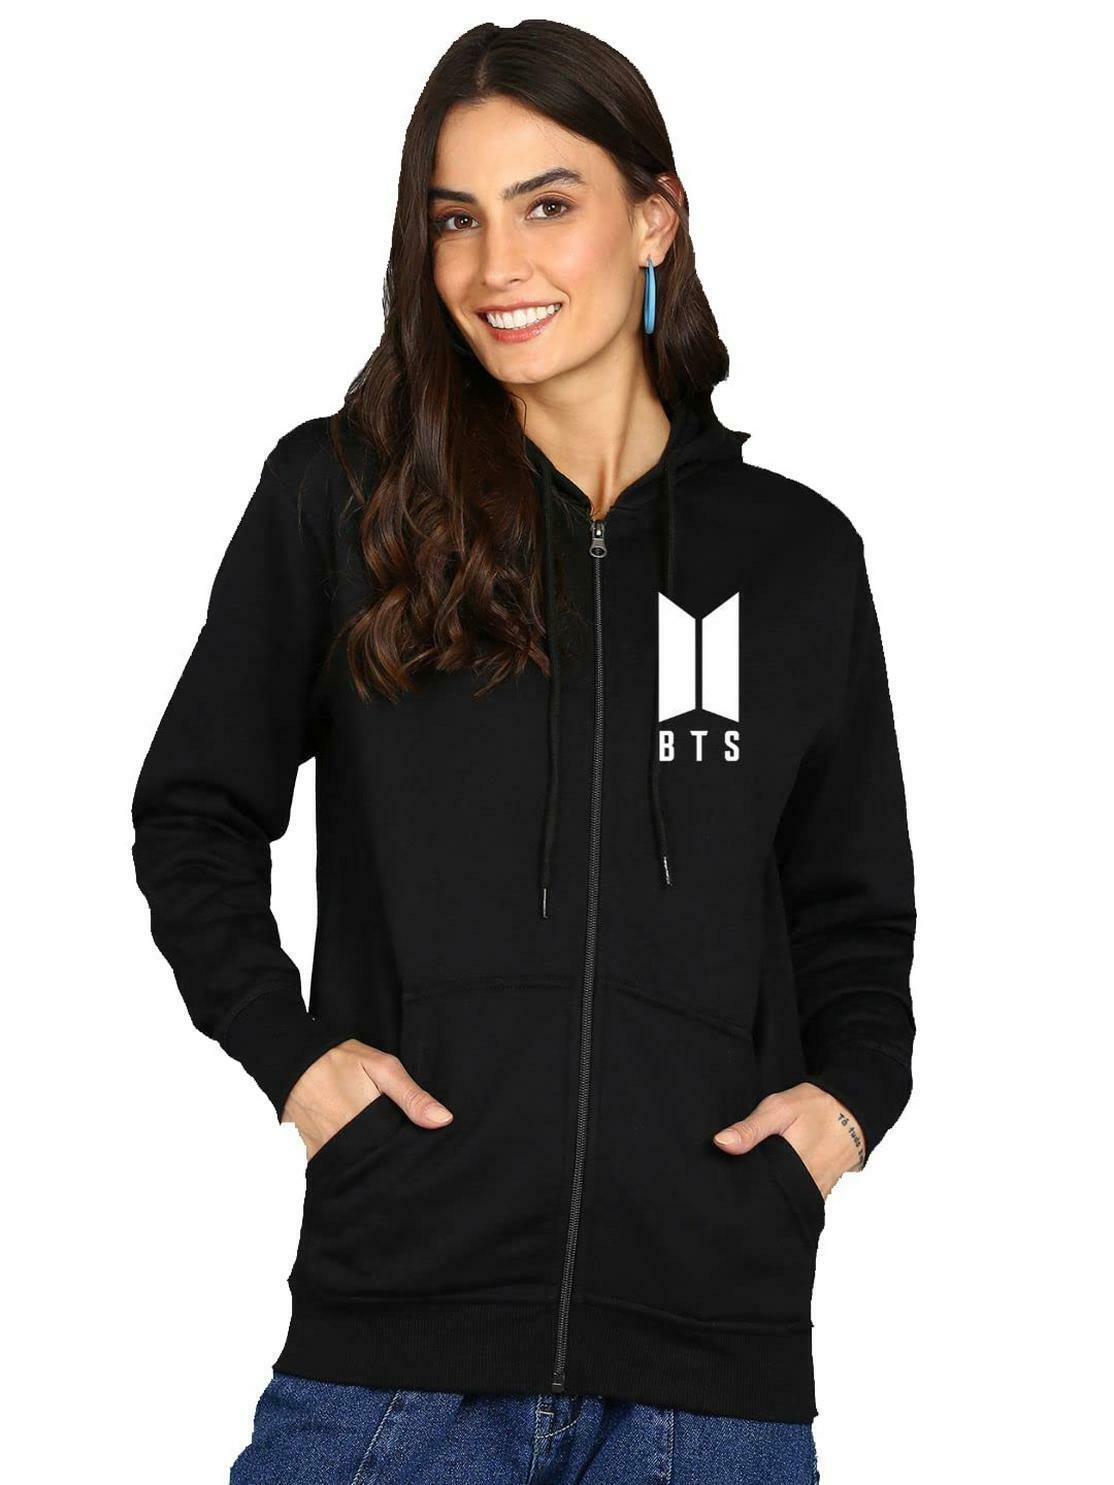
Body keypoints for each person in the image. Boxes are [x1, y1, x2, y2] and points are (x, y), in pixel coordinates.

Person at [130, 19, 916, 1485]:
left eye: (547, 204)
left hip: (711, 1377)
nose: (496, 264)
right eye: (455, 219)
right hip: (395, 1353)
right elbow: (193, 814)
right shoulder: (347, 498)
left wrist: (848, 1107)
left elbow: (853, 911)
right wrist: (295, 1060)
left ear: (654, 219)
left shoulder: (795, 558)